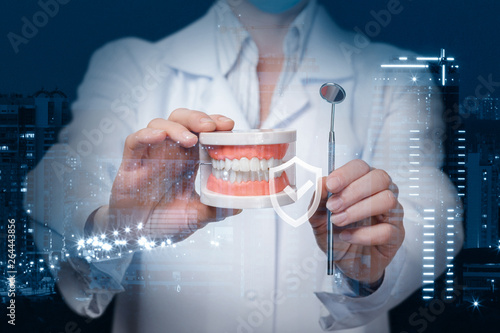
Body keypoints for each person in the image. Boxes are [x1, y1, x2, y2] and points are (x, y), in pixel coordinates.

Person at [25, 0, 463, 332]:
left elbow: (433, 207)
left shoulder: (392, 77)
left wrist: (376, 264)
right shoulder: (128, 65)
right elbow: (57, 183)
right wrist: (117, 225)